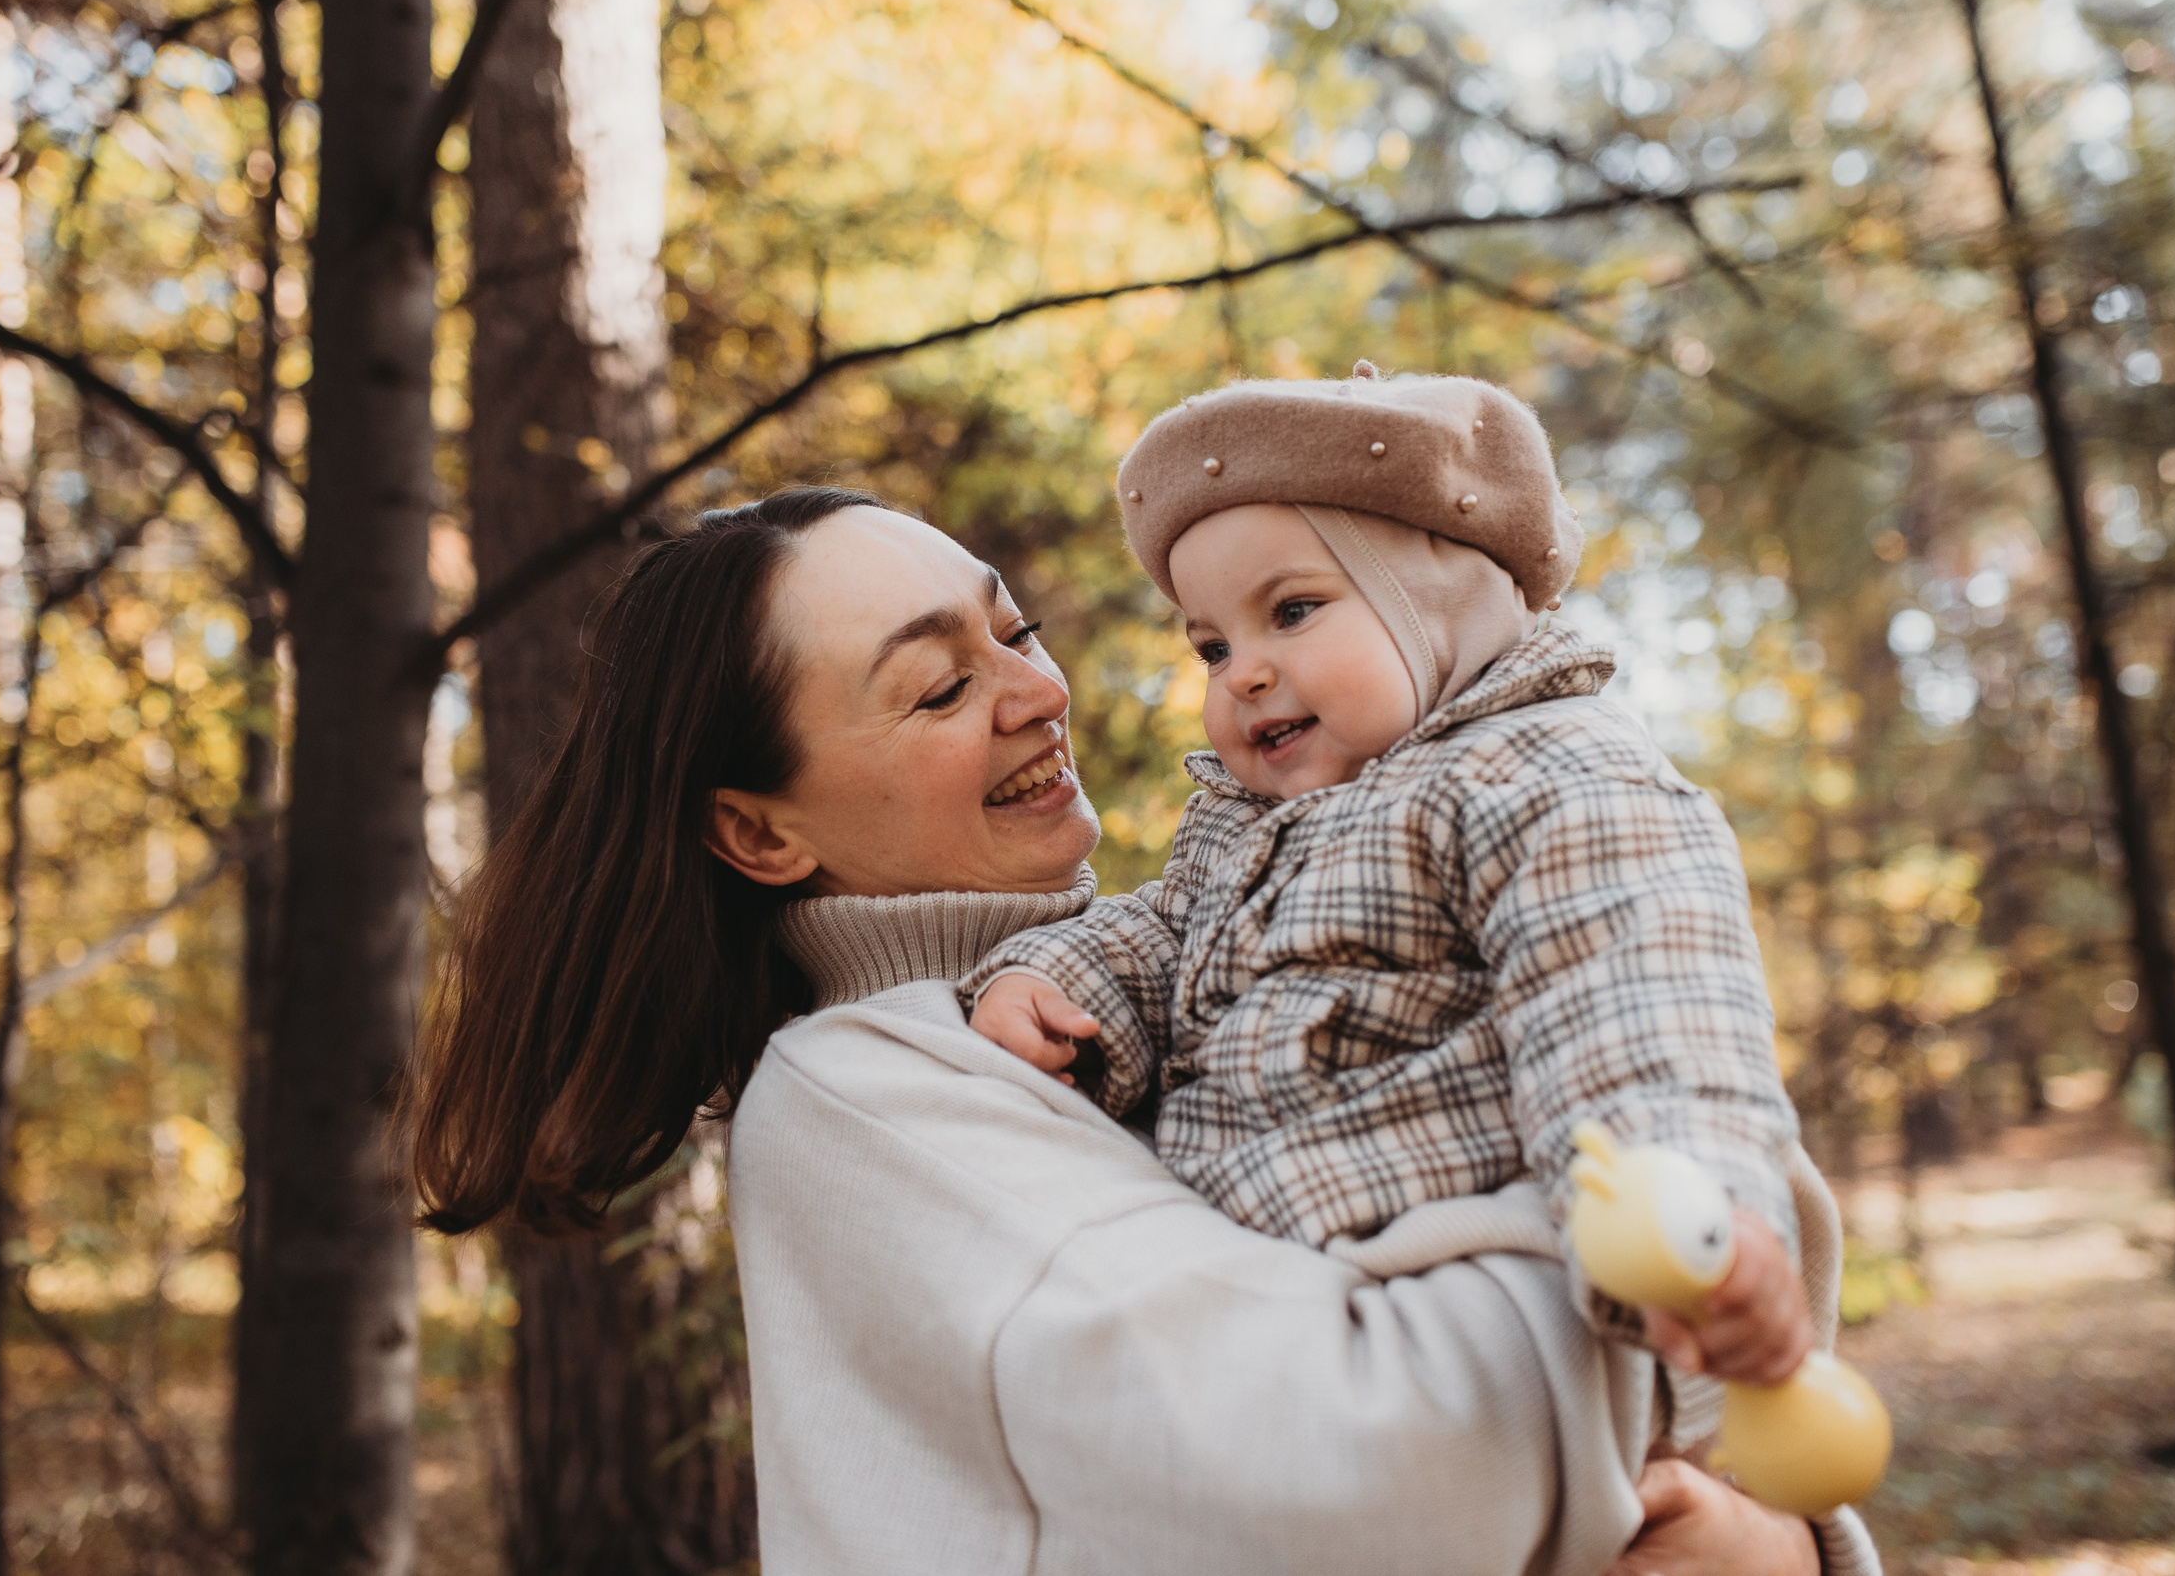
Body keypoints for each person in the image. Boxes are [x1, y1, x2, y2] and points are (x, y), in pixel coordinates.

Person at [409, 485, 1878, 1576]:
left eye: (1013, 628)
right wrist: (1644, 1235)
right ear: (758, 827)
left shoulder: (1171, 980)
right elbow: (1391, 1476)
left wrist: (1792, 1545)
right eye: (939, 682)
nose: (1039, 691)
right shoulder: (872, 1091)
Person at [962, 367, 1818, 1397]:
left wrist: (1690, 1218)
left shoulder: (1543, 773)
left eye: (1292, 609)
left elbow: (1636, 1007)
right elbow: (1158, 938)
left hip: (1461, 1301)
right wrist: (1052, 983)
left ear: (1439, 599)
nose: (1243, 671)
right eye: (1212, 643)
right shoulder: (1245, 825)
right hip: (1255, 1307)